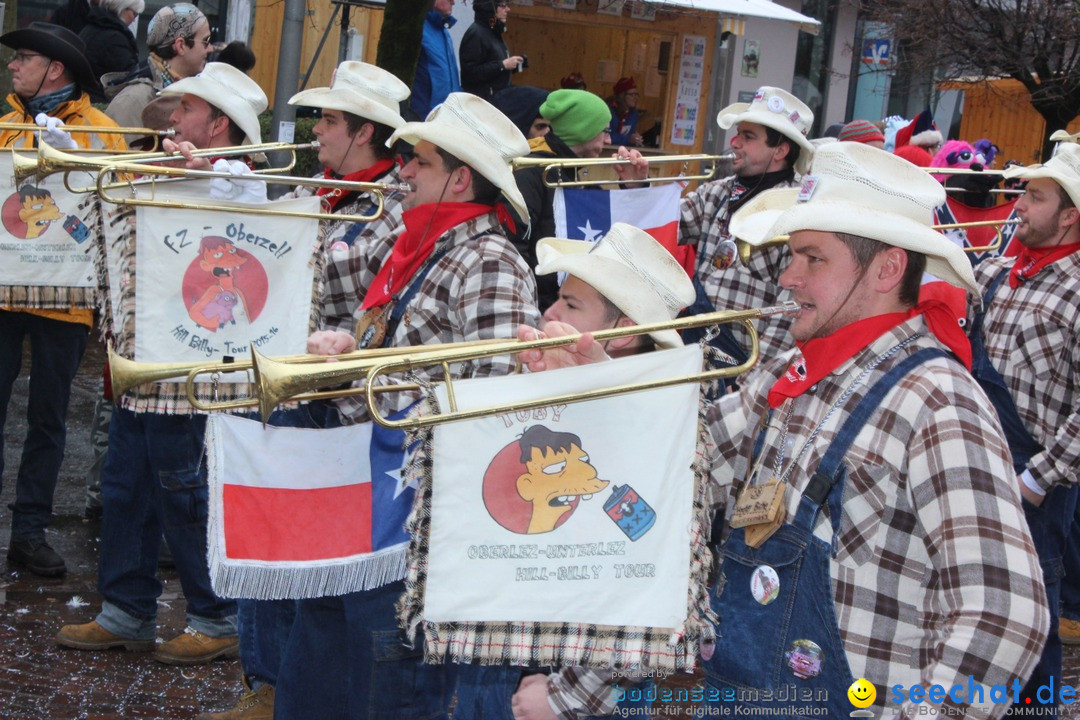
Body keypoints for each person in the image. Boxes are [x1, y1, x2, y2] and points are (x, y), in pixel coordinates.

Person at [520, 141, 1048, 718]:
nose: (788, 276)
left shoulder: (938, 400)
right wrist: (598, 386)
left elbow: (1004, 613)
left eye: (812, 259)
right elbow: (682, 460)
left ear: (887, 268)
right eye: (791, 255)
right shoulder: (790, 373)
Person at [273, 92, 540, 719]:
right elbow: (412, 356)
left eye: (419, 161)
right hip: (369, 488)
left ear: (460, 176)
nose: (404, 172)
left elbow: (494, 402)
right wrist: (353, 348)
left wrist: (364, 377)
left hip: (410, 512)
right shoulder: (427, 246)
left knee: (382, 681)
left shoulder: (491, 260)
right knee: (327, 646)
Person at [194, 61, 412, 720]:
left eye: (332, 120)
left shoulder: (392, 205)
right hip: (294, 387)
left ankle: (284, 687)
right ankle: (264, 681)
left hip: (338, 399)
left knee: (312, 561)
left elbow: (362, 297)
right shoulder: (331, 189)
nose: (318, 130)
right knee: (271, 541)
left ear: (366, 132)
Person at [55, 63, 269, 665]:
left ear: (219, 123)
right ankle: (125, 610)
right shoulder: (177, 167)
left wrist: (206, 177)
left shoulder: (240, 179)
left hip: (195, 368)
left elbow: (248, 212)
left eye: (186, 112)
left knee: (186, 491)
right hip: (141, 357)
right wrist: (74, 160)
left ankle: (215, 615)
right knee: (127, 487)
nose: (172, 121)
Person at [456, 222, 695, 718]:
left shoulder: (657, 427)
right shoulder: (562, 391)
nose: (549, 312)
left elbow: (644, 586)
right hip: (523, 635)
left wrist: (568, 695)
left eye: (571, 305)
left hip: (569, 673)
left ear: (623, 333)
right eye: (559, 298)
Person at [0, 22, 126, 578]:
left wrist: (79, 162)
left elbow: (118, 206)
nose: (12, 65)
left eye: (22, 58)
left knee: (48, 421)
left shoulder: (102, 132)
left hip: (66, 298)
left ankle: (29, 532)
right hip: (2, 293)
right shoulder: (3, 125)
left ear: (55, 68)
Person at [971, 142, 1080, 711]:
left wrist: (1038, 479)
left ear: (1070, 216)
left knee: (1034, 605)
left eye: (1034, 197)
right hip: (976, 452)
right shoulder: (994, 268)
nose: (1018, 207)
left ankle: (1035, 708)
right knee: (974, 593)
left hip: (1035, 474)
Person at [617, 86, 814, 368]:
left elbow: (790, 307)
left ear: (781, 150)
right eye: (738, 133)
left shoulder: (799, 211)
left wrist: (756, 375)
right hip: (694, 339)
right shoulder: (716, 191)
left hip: (744, 355)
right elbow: (666, 229)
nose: (734, 142)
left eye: (748, 137)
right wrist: (638, 185)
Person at [510, 88, 612, 310]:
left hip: (559, 302)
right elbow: (513, 243)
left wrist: (631, 184)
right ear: (583, 130)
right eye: (604, 131)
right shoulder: (532, 172)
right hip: (538, 305)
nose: (609, 138)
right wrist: (532, 299)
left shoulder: (571, 171)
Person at [102, 3, 211, 146]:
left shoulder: (186, 90)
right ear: (181, 45)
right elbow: (117, 162)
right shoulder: (134, 99)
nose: (210, 48)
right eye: (206, 41)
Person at [78, 0, 144, 98]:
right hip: (101, 101)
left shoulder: (91, 27)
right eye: (134, 14)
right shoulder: (115, 38)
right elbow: (127, 79)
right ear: (122, 8)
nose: (134, 19)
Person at [460, 0, 522, 100]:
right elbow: (470, 73)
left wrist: (514, 65)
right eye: (503, 6)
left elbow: (492, 67)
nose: (508, 9)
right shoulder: (476, 34)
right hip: (482, 103)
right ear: (490, 8)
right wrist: (502, 65)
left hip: (494, 99)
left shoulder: (493, 32)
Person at [410, 0, 461, 119]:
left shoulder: (444, 31)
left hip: (445, 115)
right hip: (424, 117)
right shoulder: (417, 28)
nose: (453, 2)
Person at [607, 76, 642, 147]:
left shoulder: (633, 115)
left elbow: (630, 135)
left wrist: (635, 139)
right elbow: (606, 137)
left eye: (636, 94)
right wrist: (628, 139)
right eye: (632, 94)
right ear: (622, 96)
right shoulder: (609, 113)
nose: (635, 98)